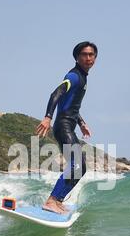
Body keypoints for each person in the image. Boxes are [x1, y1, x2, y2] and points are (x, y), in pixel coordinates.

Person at [36, 41, 97, 214]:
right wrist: (48, 116)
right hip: (63, 126)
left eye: (91, 54)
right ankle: (52, 201)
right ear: (77, 57)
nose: (88, 58)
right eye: (84, 54)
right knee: (78, 165)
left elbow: (71, 105)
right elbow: (56, 94)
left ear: (95, 58)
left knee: (80, 166)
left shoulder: (83, 77)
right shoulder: (74, 76)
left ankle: (57, 200)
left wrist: (82, 123)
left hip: (69, 125)